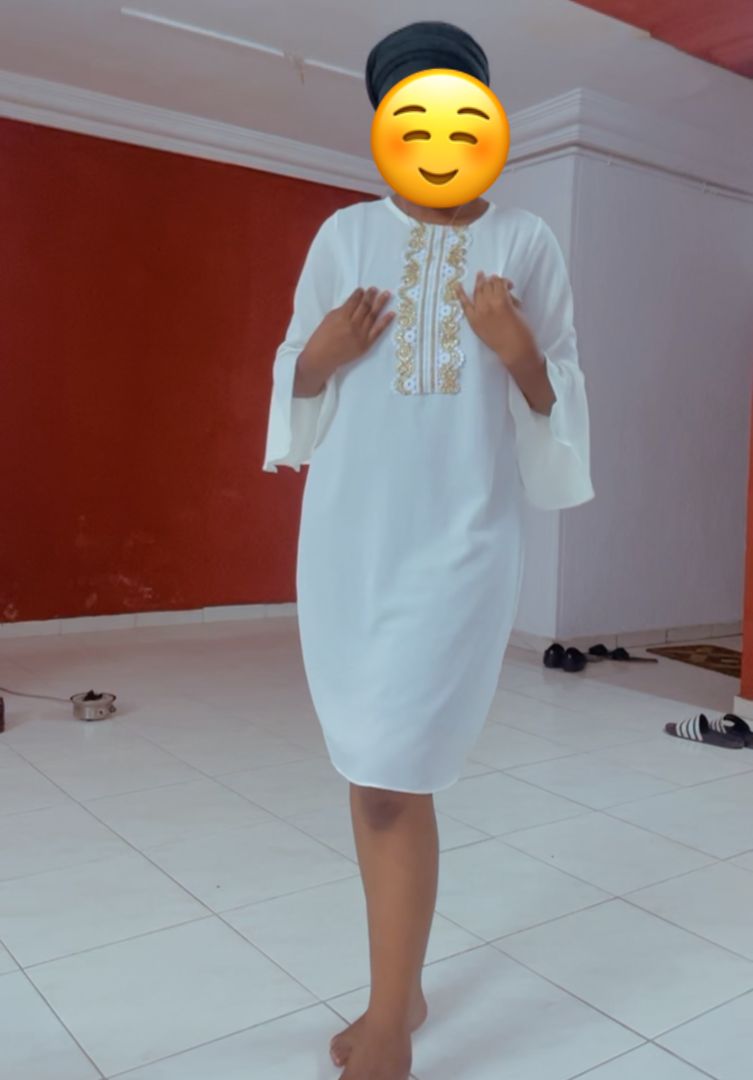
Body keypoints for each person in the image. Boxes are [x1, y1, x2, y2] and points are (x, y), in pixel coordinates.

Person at [263, 20, 594, 1080]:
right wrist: (317, 357)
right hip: (348, 546)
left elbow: (558, 398)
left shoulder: (527, 243)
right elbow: (298, 377)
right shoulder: (343, 236)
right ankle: (400, 984)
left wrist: (517, 349)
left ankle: (391, 1024)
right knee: (371, 766)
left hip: (460, 545)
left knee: (391, 778)